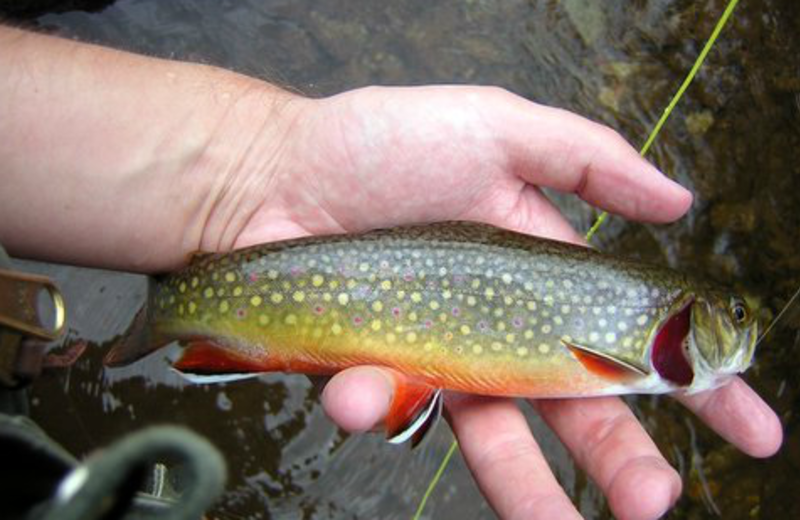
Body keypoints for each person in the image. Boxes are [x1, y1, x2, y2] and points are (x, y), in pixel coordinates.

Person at [0, 25, 782, 520]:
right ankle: (177, 307)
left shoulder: (636, 344)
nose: (746, 332)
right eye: (737, 320)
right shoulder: (619, 355)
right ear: (688, 318)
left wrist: (239, 170)